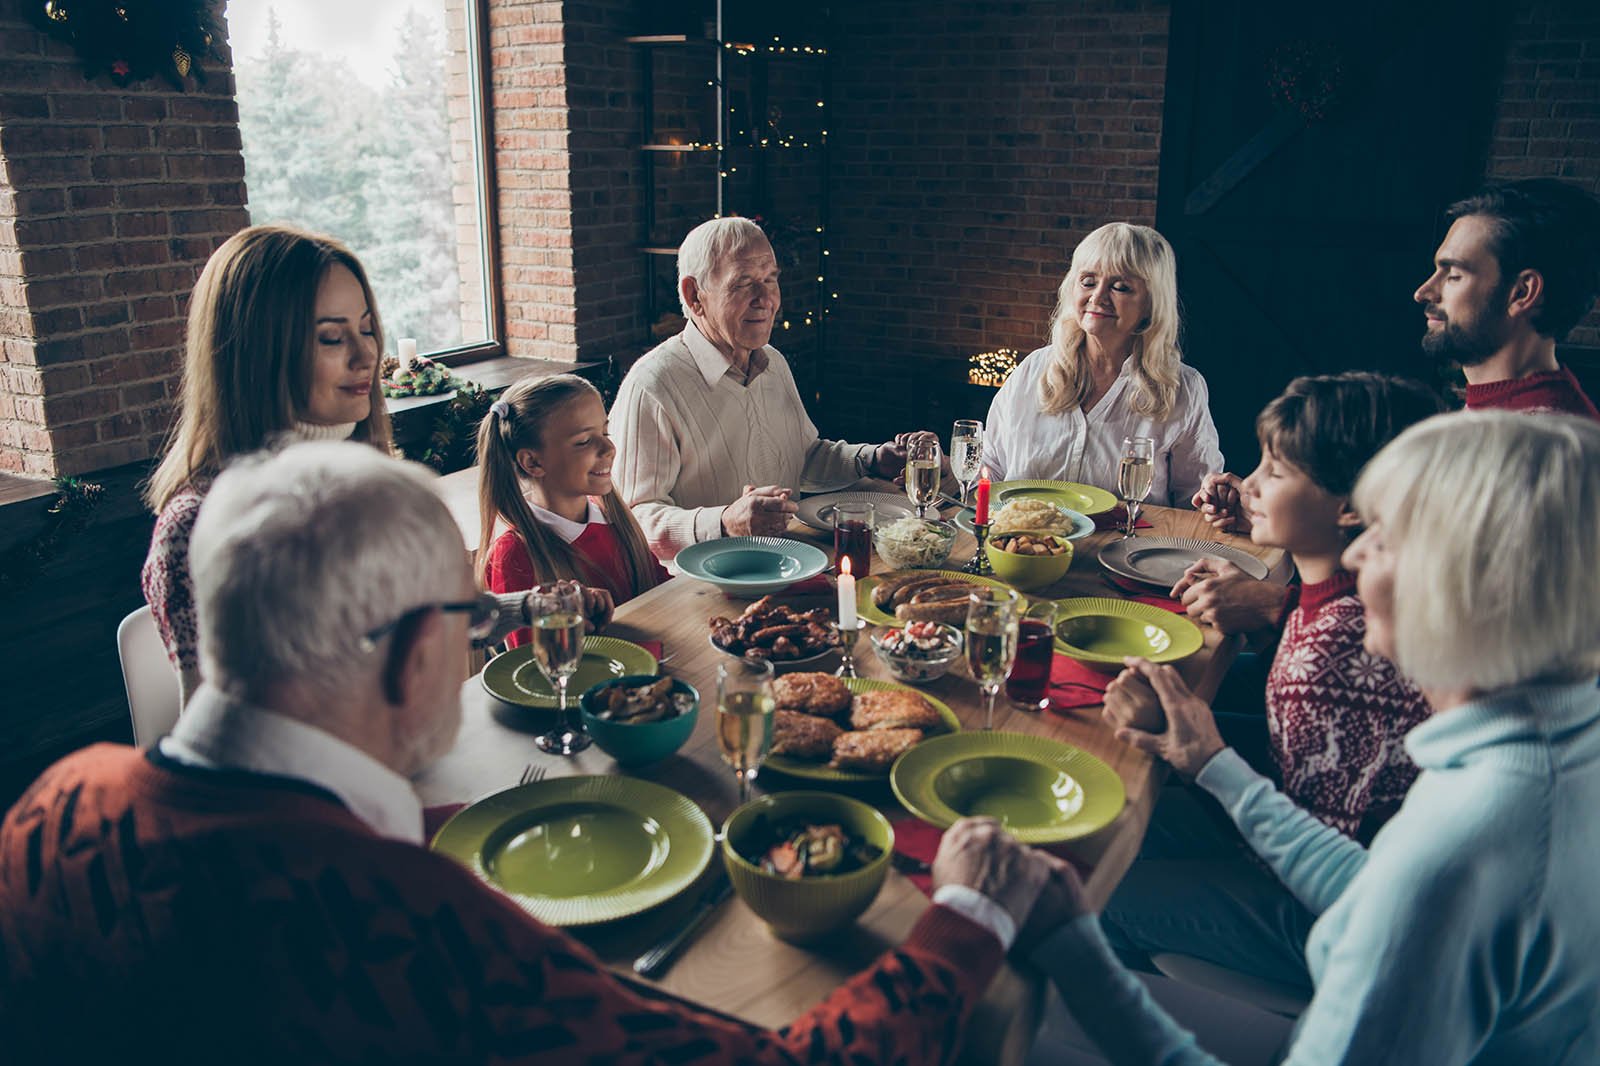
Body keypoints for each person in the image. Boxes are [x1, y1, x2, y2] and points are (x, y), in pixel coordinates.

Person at [0, 441, 1058, 1063]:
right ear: (421, 650)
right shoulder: (414, 927)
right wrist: (964, 923)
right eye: (468, 622)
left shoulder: (46, 808)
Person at [1026, 410, 1600, 1064]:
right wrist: (1212, 765)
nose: (1354, 555)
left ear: (1470, 583)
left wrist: (1072, 947)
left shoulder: (1462, 851)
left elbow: (1410, 895)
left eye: (1385, 539)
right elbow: (1372, 888)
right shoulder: (1549, 742)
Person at [1097, 372, 1442, 992]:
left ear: (1349, 508)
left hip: (1334, 922)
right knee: (1111, 821)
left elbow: (1307, 858)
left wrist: (1185, 750)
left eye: (1275, 473)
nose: (1248, 484)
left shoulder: (1336, 650)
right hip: (1308, 836)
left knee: (1096, 886)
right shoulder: (1338, 600)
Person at [140, 224, 394, 705]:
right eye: (331, 338)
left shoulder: (356, 477)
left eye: (366, 328)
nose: (367, 355)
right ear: (261, 355)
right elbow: (224, 742)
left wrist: (526, 611)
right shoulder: (196, 526)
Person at [612, 216, 932, 561]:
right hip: (699, 585)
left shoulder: (772, 362)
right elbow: (629, 520)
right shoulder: (652, 385)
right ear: (694, 296)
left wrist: (870, 458)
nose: (766, 299)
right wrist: (723, 523)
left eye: (770, 280)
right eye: (743, 283)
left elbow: (802, 456)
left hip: (788, 560)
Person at [981, 222, 1222, 506]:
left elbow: (1194, 501)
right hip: (1021, 545)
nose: (1098, 297)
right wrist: (949, 474)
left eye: (1120, 287)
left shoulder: (1183, 388)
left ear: (1151, 304)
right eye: (1088, 282)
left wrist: (1216, 502)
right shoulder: (1033, 369)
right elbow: (991, 468)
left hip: (1125, 548)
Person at [476, 373, 668, 646]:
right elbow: (534, 670)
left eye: (605, 432)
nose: (609, 447)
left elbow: (663, 598)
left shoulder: (616, 522)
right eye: (583, 441)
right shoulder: (513, 555)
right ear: (532, 462)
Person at [1414, 177, 1600, 417]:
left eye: (1454, 275)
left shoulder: (1544, 441)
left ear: (1522, 292)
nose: (1423, 292)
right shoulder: (1505, 415)